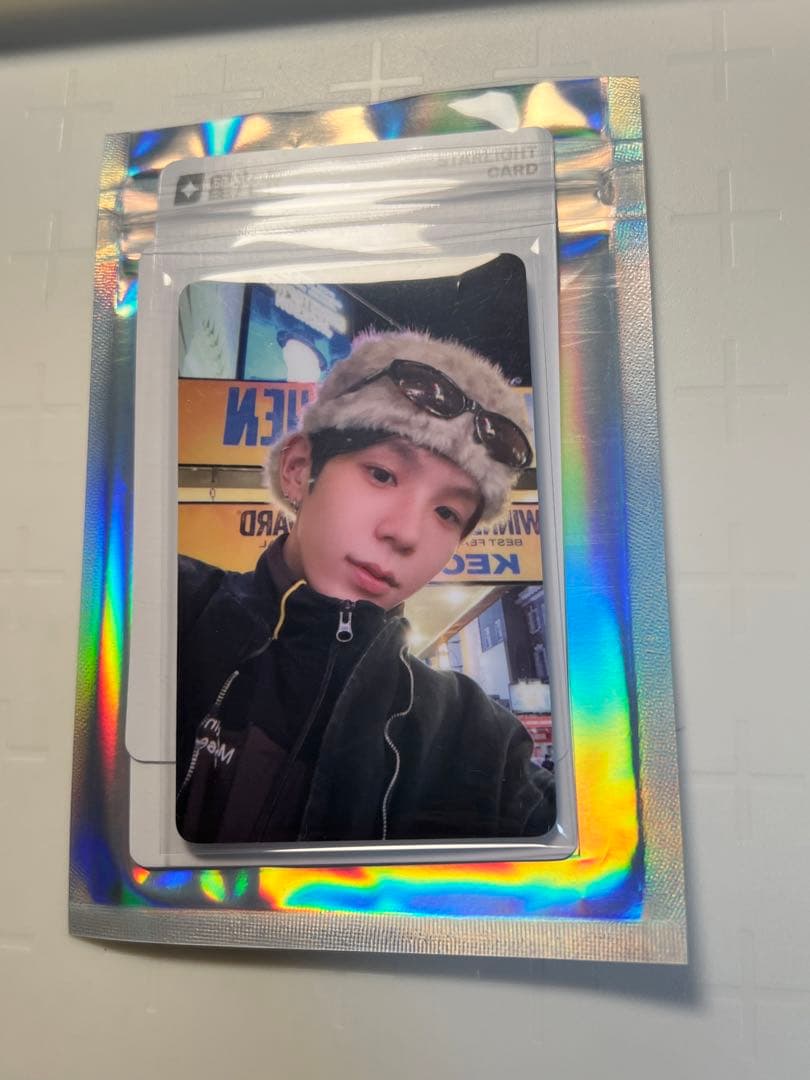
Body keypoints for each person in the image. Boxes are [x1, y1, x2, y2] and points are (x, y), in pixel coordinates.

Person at [176, 330, 555, 844]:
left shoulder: (476, 740)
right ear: (299, 469)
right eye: (381, 474)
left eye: (447, 512)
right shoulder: (162, 615)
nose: (405, 533)